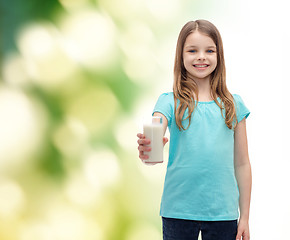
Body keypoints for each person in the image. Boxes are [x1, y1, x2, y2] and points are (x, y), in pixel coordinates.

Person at [137, 20, 252, 240]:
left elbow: (242, 163)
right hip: (177, 212)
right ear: (181, 56)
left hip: (223, 214)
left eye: (209, 50)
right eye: (192, 50)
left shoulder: (233, 105)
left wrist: (245, 216)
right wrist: (150, 148)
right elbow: (156, 129)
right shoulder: (168, 102)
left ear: (219, 56)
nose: (201, 56)